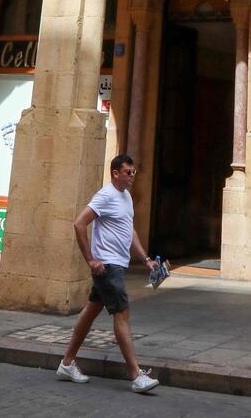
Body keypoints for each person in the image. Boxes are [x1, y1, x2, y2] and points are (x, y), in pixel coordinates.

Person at [57, 153, 160, 394]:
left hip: (118, 264)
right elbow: (79, 223)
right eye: (128, 172)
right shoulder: (105, 195)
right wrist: (90, 259)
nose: (132, 176)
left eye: (134, 172)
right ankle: (136, 375)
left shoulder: (126, 197)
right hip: (107, 266)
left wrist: (146, 259)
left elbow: (129, 230)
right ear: (115, 173)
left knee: (91, 310)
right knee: (122, 313)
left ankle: (67, 363)